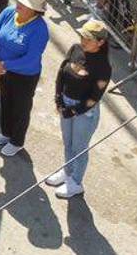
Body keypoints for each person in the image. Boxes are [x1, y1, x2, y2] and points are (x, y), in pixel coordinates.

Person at [44, 20, 111, 199]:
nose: (83, 41)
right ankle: (67, 171)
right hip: (66, 103)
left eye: (88, 39)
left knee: (79, 147)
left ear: (100, 43)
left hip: (84, 112)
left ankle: (76, 182)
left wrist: (72, 111)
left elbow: (94, 97)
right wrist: (58, 99)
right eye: (82, 36)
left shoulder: (103, 67)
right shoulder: (75, 48)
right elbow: (61, 73)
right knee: (68, 143)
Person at [0, 0, 50, 157]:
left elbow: (30, 58)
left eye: (24, 2)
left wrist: (4, 66)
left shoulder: (40, 29)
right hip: (3, 70)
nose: (18, 3)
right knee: (6, 102)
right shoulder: (8, 13)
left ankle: (17, 141)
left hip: (25, 76)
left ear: (35, 10)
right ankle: (6, 133)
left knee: (21, 108)